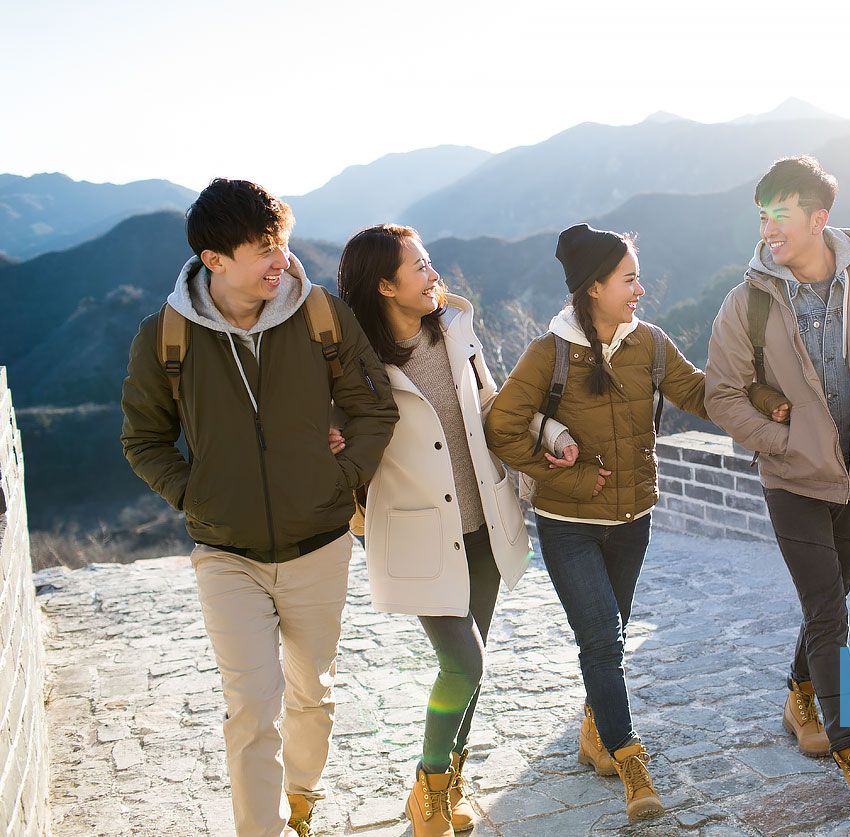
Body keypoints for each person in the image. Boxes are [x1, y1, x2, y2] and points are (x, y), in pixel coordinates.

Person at [120, 179, 399, 837]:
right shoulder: (165, 335)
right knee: (250, 706)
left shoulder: (320, 314)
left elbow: (373, 406)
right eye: (262, 249)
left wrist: (341, 480)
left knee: (313, 698)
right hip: (226, 553)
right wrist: (195, 494)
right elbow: (144, 438)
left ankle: (300, 796)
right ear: (214, 260)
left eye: (281, 243)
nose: (281, 260)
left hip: (320, 543)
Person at [485, 223, 788, 822]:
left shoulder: (647, 343)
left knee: (611, 632)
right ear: (594, 287)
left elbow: (701, 395)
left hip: (633, 520)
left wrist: (763, 398)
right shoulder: (550, 353)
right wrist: (567, 479)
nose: (640, 290)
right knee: (603, 638)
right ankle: (630, 761)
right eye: (629, 278)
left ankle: (596, 732)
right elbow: (502, 428)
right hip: (568, 524)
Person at [334, 224, 578, 836]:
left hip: (483, 522)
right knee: (463, 664)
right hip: (420, 534)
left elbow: (495, 405)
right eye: (419, 265)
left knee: (475, 662)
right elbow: (335, 430)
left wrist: (548, 434)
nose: (432, 273)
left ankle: (447, 785)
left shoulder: (457, 331)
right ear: (386, 285)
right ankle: (431, 783)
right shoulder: (355, 360)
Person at [705, 156, 850, 825]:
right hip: (793, 481)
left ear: (817, 217)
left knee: (830, 598)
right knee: (829, 611)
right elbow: (721, 392)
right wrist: (784, 444)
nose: (767, 229)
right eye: (760, 216)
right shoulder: (747, 299)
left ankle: (799, 689)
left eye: (780, 215)